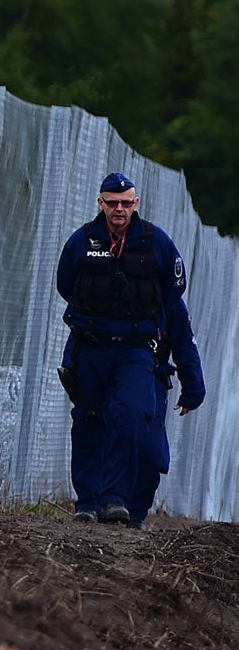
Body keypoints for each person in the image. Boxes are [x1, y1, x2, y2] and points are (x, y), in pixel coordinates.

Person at [55, 172, 205, 528]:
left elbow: (178, 317)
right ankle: (88, 501)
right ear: (100, 203)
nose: (119, 209)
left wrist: (193, 382)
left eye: (126, 203)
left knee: (133, 415)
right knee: (88, 419)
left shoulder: (156, 244)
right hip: (91, 346)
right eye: (112, 203)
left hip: (137, 350)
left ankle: (117, 500)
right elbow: (66, 285)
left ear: (136, 203)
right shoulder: (82, 241)